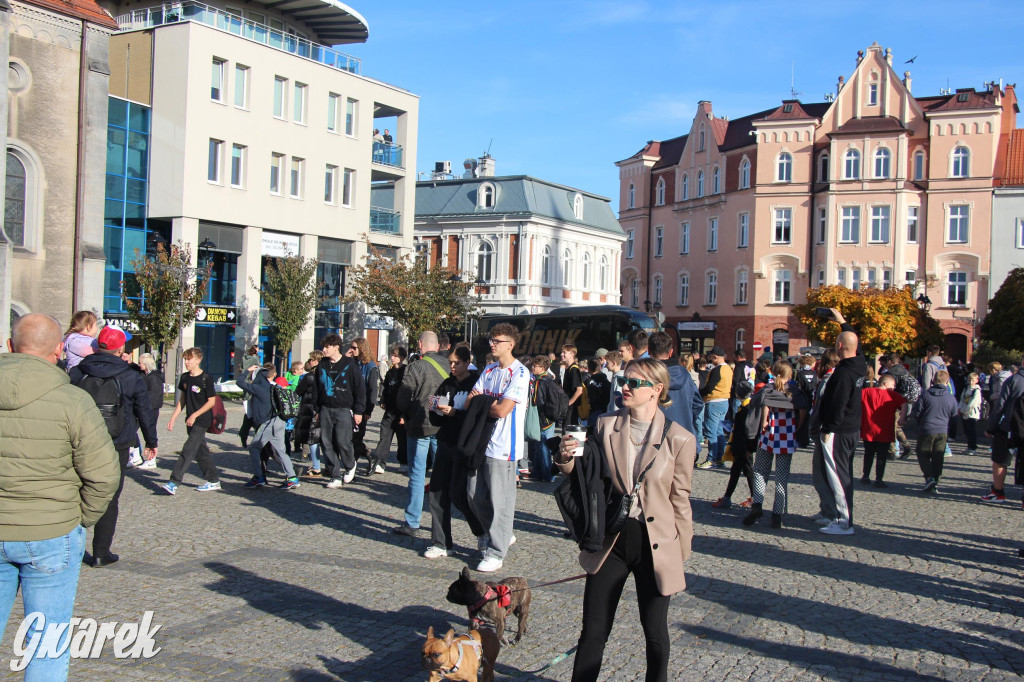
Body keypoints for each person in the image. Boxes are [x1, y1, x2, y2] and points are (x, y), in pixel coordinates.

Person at [555, 358, 695, 682]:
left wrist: (681, 551)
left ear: (656, 390)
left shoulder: (680, 439)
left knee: (655, 632)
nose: (626, 387)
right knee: (593, 631)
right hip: (613, 540)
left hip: (656, 544)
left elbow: (680, 501)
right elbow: (586, 474)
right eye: (625, 380)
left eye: (635, 382)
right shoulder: (606, 426)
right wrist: (565, 458)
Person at [0, 313, 120, 680]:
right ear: (58, 349)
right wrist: (80, 518)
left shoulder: (73, 398)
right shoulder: (73, 401)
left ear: (9, 346)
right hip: (53, 531)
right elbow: (104, 474)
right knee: (47, 643)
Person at [70, 324, 158, 566]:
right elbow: (145, 411)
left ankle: (71, 549)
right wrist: (151, 442)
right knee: (109, 496)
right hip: (117, 442)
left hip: (80, 440)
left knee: (77, 490)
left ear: (98, 345)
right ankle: (100, 552)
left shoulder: (79, 372)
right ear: (121, 348)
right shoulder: (131, 376)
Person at [466, 324, 532, 573]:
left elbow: (503, 409)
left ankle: (496, 550)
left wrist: (483, 402)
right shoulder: (490, 368)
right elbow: (471, 400)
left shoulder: (520, 373)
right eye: (490, 339)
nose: (491, 344)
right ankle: (501, 533)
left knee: (500, 501)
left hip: (504, 446)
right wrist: (485, 401)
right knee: (473, 494)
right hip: (481, 441)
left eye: (497, 340)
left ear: (510, 344)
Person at [423, 346, 483, 558]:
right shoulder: (447, 383)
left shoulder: (476, 383)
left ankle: (481, 531)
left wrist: (455, 413)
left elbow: (475, 416)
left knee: (460, 494)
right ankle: (441, 542)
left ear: (467, 362)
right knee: (437, 492)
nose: (452, 366)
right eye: (450, 362)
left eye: (456, 362)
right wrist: (436, 409)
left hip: (464, 444)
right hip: (445, 442)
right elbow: (437, 416)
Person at [816, 309, 866, 536]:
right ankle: (840, 517)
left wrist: (828, 429)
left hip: (840, 429)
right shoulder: (859, 364)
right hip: (852, 427)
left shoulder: (844, 374)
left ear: (838, 347)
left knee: (838, 475)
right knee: (842, 473)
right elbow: (855, 344)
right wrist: (843, 322)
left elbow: (837, 404)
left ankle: (844, 521)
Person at [393, 332, 448, 535]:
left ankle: (412, 521)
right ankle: (441, 523)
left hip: (419, 425)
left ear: (420, 345)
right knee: (441, 476)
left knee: (417, 474)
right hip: (441, 425)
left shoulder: (416, 366)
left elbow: (404, 396)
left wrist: (403, 413)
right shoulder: (448, 365)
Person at [743, 361, 797, 529]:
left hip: (768, 435)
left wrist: (764, 422)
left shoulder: (767, 389)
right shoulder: (793, 392)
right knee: (781, 477)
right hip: (787, 436)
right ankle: (777, 514)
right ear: (790, 375)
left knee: (760, 471)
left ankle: (757, 504)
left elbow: (762, 406)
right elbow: (802, 409)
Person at [163, 348, 222, 494]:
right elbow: (182, 400)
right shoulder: (184, 378)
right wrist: (173, 418)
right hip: (189, 419)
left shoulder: (206, 378)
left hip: (202, 420)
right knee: (200, 452)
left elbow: (211, 402)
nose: (186, 362)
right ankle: (214, 480)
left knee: (188, 450)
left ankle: (174, 481)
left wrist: (195, 415)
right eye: (185, 359)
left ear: (198, 360)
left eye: (189, 359)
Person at [236, 363, 299, 490]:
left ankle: (259, 477)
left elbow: (239, 382)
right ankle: (292, 478)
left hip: (269, 423)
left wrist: (247, 371)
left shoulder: (258, 388)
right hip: (280, 421)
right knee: (281, 451)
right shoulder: (273, 387)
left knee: (254, 447)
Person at [314, 334, 366, 489]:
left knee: (343, 441)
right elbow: (316, 388)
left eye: (327, 347)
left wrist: (359, 411)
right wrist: (316, 408)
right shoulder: (322, 365)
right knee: (326, 442)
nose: (324, 350)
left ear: (336, 347)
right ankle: (335, 474)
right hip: (325, 408)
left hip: (343, 409)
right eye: (323, 347)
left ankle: (350, 465)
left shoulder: (350, 364)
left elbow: (359, 389)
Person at [982, 363, 1024, 502]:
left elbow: (1000, 405)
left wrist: (991, 427)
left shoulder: (1013, 380)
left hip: (1010, 425)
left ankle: (998, 491)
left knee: (1000, 460)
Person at [648, 331, 702, 438]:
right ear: (671, 352)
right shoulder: (685, 375)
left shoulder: (646, 376)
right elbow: (698, 404)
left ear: (649, 350)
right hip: (684, 434)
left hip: (655, 436)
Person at [711, 381, 757, 509]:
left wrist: (750, 447)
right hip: (742, 445)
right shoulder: (748, 407)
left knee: (744, 471)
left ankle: (751, 498)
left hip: (743, 446)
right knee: (740, 471)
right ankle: (732, 497)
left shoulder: (745, 410)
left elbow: (750, 431)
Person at [810, 349, 841, 525]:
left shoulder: (828, 381)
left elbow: (820, 408)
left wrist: (814, 429)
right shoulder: (837, 379)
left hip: (825, 430)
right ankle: (826, 508)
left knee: (821, 473)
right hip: (832, 430)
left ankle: (830, 511)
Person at [859, 374, 907, 488]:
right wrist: (902, 416)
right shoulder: (892, 395)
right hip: (884, 430)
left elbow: (853, 398)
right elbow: (904, 403)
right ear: (885, 383)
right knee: (882, 456)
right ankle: (879, 479)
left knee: (868, 453)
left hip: (868, 429)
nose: (894, 387)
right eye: (893, 384)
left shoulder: (866, 392)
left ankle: (866, 476)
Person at [916, 370, 959, 494]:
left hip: (927, 429)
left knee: (922, 454)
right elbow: (954, 418)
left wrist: (919, 425)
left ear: (933, 380)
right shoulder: (951, 398)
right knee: (938, 457)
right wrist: (952, 434)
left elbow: (918, 413)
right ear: (947, 381)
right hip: (942, 430)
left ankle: (929, 477)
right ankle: (935, 481)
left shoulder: (925, 395)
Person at [369, 345, 408, 474]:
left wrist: (404, 414)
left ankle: (404, 462)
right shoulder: (390, 372)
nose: (392, 358)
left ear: (401, 357)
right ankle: (379, 462)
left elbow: (408, 393)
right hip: (390, 410)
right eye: (392, 355)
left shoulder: (406, 371)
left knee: (402, 439)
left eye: (395, 355)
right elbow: (385, 388)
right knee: (384, 436)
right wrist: (383, 400)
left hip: (401, 410)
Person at [697, 346, 733, 469]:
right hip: (724, 402)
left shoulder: (717, 370)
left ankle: (711, 459)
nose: (710, 358)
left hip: (714, 401)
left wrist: (698, 393)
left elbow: (709, 388)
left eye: (711, 356)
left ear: (715, 357)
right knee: (719, 432)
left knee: (711, 432)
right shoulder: (728, 369)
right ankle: (719, 459)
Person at [347, 337, 379, 470]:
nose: (351, 350)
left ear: (362, 348)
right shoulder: (353, 363)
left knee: (356, 438)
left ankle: (352, 468)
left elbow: (372, 391)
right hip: (350, 406)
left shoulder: (370, 367)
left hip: (362, 407)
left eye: (354, 348)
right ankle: (368, 455)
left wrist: (368, 411)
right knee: (348, 437)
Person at [528, 355, 559, 482]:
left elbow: (538, 401)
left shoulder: (540, 382)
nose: (533, 368)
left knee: (544, 445)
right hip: (550, 417)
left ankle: (548, 474)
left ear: (542, 368)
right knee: (541, 445)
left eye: (535, 365)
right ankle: (539, 472)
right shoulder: (549, 380)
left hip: (543, 418)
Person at [294, 358, 322, 477]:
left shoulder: (309, 377)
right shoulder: (325, 376)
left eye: (311, 359)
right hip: (322, 409)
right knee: (322, 439)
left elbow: (298, 391)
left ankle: (316, 466)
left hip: (309, 409)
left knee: (312, 438)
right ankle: (326, 466)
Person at [560, 343, 585, 426]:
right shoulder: (569, 368)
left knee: (569, 432)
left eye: (564, 352)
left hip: (572, 410)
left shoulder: (574, 369)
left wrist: (569, 403)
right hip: (568, 408)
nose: (561, 354)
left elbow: (579, 390)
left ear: (572, 354)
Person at [958, 372, 983, 454]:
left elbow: (973, 403)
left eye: (972, 380)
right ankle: (969, 446)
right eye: (969, 380)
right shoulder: (966, 389)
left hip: (972, 413)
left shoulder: (977, 390)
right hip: (964, 413)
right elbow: (962, 399)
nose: (971, 382)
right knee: (967, 431)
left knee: (972, 431)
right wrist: (959, 409)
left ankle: (973, 447)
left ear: (976, 380)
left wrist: (965, 410)